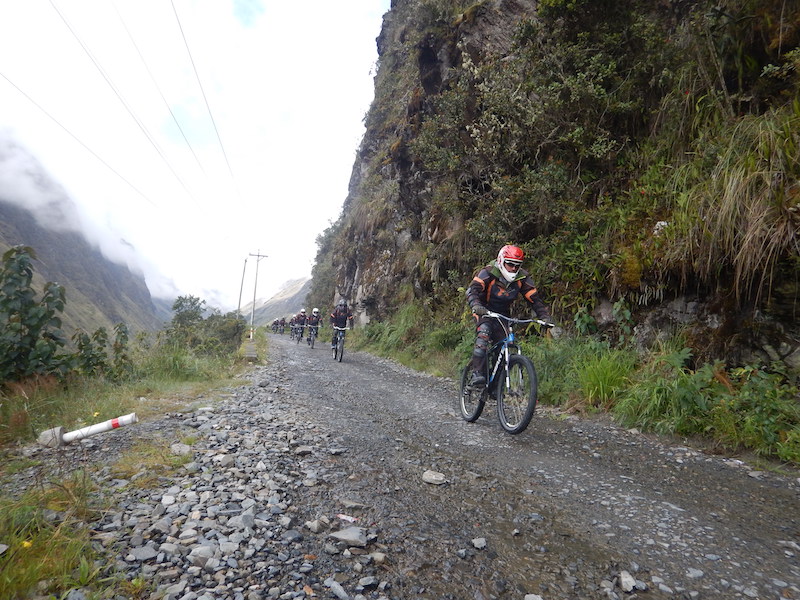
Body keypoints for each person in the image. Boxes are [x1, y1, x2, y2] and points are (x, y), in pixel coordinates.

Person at [466, 244, 553, 387]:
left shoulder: (522, 278)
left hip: (503, 314)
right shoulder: (488, 272)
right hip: (484, 310)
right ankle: (477, 374)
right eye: (510, 264)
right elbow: (472, 290)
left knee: (506, 345)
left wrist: (544, 316)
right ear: (501, 260)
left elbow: (534, 300)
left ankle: (496, 386)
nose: (513, 268)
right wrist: (476, 306)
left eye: (517, 265)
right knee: (484, 334)